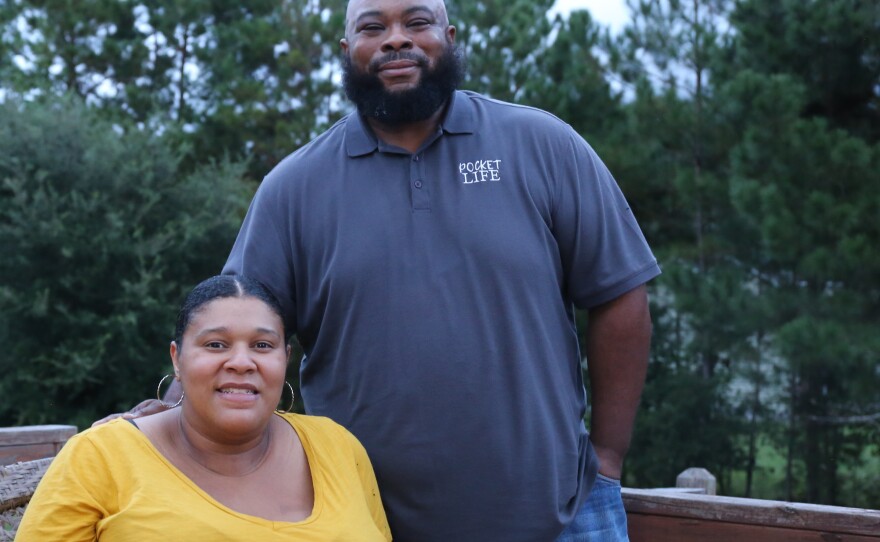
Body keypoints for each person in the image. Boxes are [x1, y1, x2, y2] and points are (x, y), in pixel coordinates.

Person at [106, 0, 659, 539]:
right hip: (356, 523)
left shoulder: (543, 146)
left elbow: (619, 294)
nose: (396, 38)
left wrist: (607, 458)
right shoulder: (294, 189)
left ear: (450, 36)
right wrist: (169, 416)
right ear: (348, 50)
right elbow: (234, 331)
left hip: (563, 516)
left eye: (417, 22)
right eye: (373, 27)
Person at [18, 275, 392, 541]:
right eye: (216, 345)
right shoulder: (100, 456)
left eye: (263, 345)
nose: (242, 362)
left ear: (285, 358)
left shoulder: (338, 448)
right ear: (177, 359)